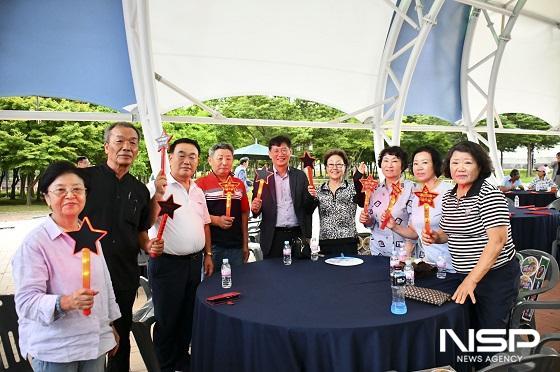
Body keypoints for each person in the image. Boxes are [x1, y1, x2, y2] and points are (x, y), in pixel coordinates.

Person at [12, 161, 121, 372]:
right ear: (46, 197)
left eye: (77, 189)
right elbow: (26, 302)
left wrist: (109, 326)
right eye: (60, 190)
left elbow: (105, 284)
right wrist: (66, 302)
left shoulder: (91, 236)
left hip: (93, 344)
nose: (70, 195)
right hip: (56, 349)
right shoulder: (36, 243)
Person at [422, 141, 519, 358]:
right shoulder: (449, 196)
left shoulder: (489, 194)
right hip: (465, 274)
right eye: (455, 162)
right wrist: (436, 236)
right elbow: (449, 231)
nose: (460, 168)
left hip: (495, 276)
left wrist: (472, 280)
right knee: (467, 331)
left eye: (468, 162)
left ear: (479, 166)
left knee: (489, 336)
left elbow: (497, 241)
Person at [80, 122, 163, 372]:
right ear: (106, 146)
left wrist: (147, 245)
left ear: (137, 150)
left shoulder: (138, 189)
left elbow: (140, 228)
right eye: (119, 141)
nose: (127, 147)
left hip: (123, 275)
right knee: (86, 340)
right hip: (85, 276)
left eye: (133, 142)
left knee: (121, 338)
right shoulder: (84, 180)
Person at [149, 138, 214, 372]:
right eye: (182, 155)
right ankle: (164, 365)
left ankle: (180, 360)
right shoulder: (160, 188)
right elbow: (147, 221)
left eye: (192, 156)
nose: (187, 161)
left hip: (195, 262)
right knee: (167, 319)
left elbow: (205, 224)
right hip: (168, 264)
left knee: (188, 315)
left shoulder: (197, 190)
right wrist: (157, 193)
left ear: (198, 161)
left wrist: (208, 254)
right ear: (171, 157)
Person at [383, 146, 454, 271]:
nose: (419, 167)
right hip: (431, 265)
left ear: (435, 165)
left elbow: (458, 229)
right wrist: (394, 226)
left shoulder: (448, 192)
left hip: (454, 265)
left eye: (425, 163)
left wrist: (437, 237)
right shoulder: (417, 195)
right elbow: (414, 233)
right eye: (415, 163)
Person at [250, 135, 316, 257]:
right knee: (273, 273)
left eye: (284, 150)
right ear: (270, 154)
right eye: (276, 151)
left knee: (299, 273)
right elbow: (255, 210)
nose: (280, 154)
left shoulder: (300, 176)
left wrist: (312, 196)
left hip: (297, 234)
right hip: (272, 235)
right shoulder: (262, 176)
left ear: (290, 152)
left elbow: (308, 208)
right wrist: (255, 208)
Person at [196, 143, 250, 266]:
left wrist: (245, 244)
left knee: (238, 282)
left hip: (236, 246)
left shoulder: (239, 184)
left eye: (228, 158)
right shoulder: (200, 184)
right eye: (220, 158)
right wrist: (216, 220)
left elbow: (244, 215)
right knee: (212, 283)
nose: (224, 162)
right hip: (212, 247)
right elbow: (195, 215)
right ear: (210, 160)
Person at [359, 146, 414, 256]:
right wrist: (367, 220)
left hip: (404, 253)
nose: (389, 165)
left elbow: (417, 226)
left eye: (394, 161)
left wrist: (395, 226)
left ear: (402, 165)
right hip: (378, 251)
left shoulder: (412, 189)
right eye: (386, 161)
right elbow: (372, 223)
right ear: (381, 164)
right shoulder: (374, 189)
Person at [307, 149, 361, 255]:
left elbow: (363, 203)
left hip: (349, 241)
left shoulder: (353, 188)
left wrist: (359, 179)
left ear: (345, 167)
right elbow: (307, 211)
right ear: (326, 168)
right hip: (326, 242)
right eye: (331, 164)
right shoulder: (318, 190)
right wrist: (310, 197)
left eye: (339, 164)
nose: (334, 168)